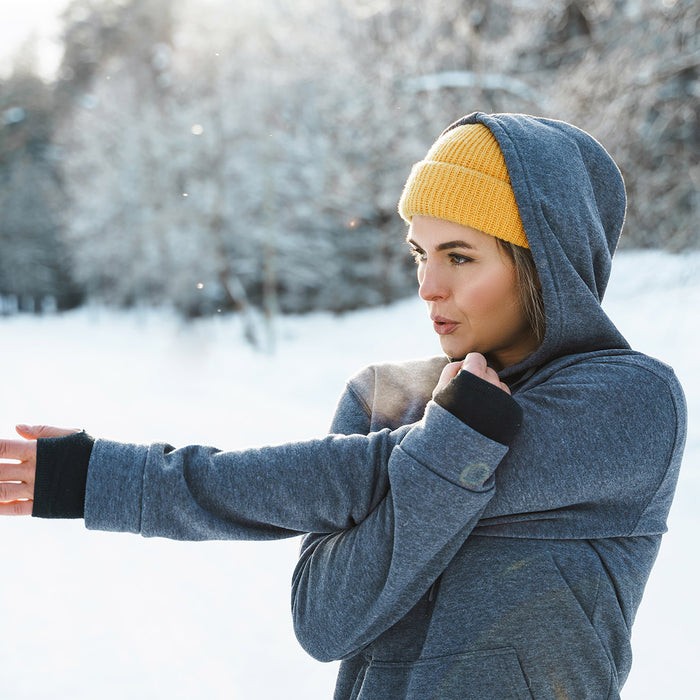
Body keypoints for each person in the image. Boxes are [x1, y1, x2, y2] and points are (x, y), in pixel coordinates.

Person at [0, 112, 686, 699]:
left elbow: (358, 476)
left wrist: (107, 479)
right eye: (419, 253)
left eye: (459, 256)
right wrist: (451, 441)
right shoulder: (383, 397)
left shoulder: (629, 403)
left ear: (546, 264)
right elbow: (324, 624)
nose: (427, 285)